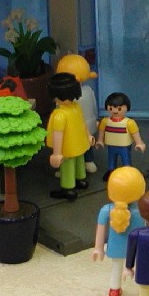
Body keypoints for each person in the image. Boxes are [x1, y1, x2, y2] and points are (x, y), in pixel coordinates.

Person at [92, 166, 146, 296]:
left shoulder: (107, 210)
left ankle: (114, 290)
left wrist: (98, 248)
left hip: (117, 246)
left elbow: (100, 228)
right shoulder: (142, 210)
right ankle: (144, 291)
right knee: (141, 268)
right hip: (138, 246)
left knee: (116, 267)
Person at [46, 72, 95, 201]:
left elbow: (58, 134)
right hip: (79, 143)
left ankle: (68, 188)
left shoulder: (60, 115)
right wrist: (88, 136)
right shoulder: (76, 107)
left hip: (67, 147)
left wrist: (57, 153)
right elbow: (82, 123)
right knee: (79, 162)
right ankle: (80, 180)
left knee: (67, 166)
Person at [55, 54, 99, 174]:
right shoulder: (88, 91)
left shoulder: (74, 94)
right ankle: (86, 162)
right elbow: (94, 106)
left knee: (81, 145)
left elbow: (61, 112)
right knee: (83, 145)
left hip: (80, 126)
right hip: (83, 125)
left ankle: (84, 163)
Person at [96, 91, 145, 181]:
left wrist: (139, 143)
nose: (114, 111)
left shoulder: (129, 123)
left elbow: (135, 133)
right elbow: (101, 131)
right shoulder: (105, 121)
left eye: (119, 108)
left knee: (126, 160)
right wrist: (100, 140)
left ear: (127, 107)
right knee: (111, 159)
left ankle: (128, 172)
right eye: (111, 108)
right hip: (111, 145)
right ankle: (111, 171)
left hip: (124, 147)